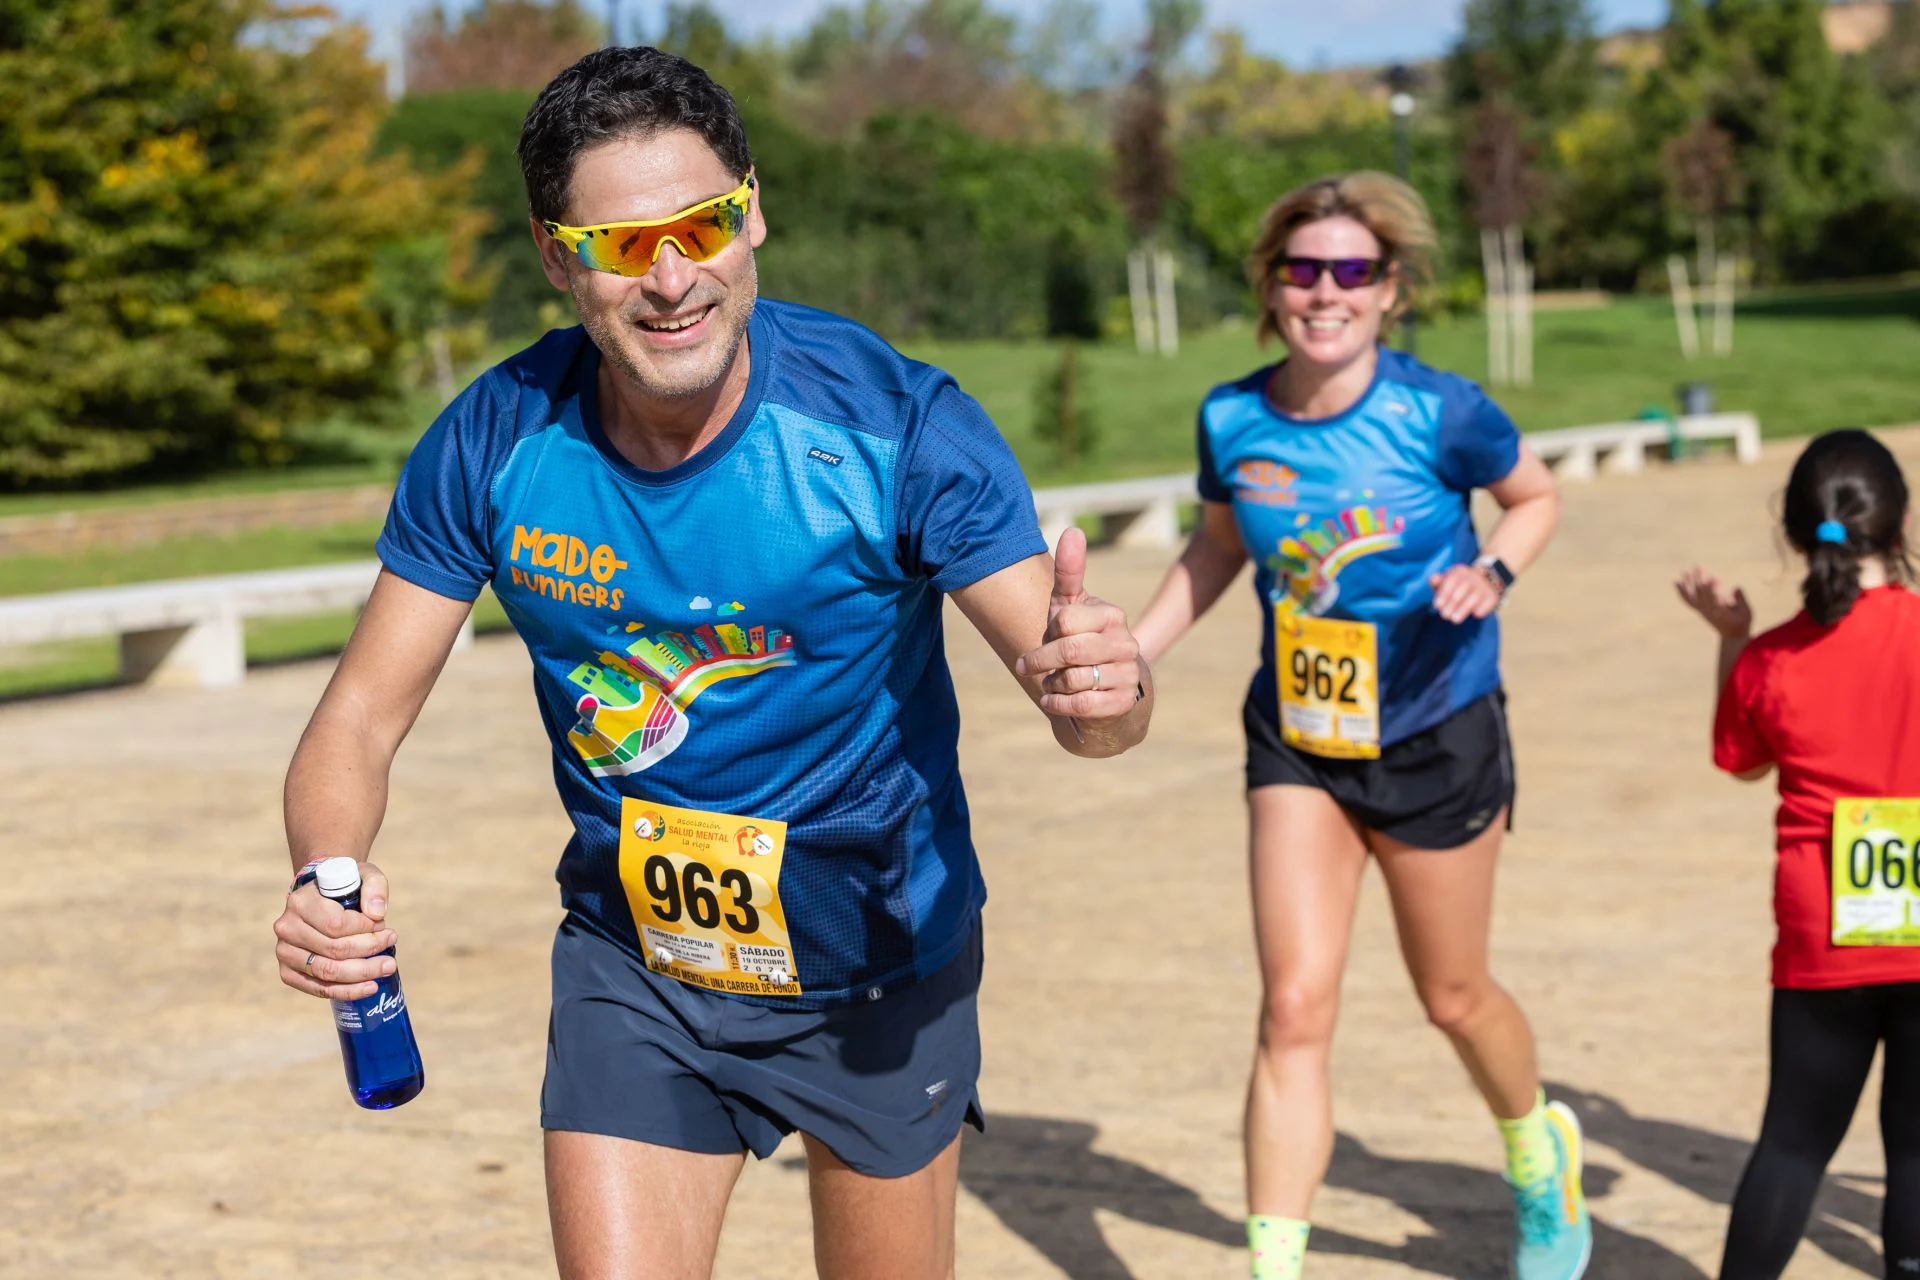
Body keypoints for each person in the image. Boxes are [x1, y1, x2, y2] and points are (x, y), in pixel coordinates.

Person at [270, 46, 1152, 1280]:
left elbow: (1082, 701)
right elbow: (356, 718)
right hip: (643, 965)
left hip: (880, 962)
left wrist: (1105, 693)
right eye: (625, 245)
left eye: (704, 225)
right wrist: (327, 877)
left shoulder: (891, 422)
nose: (674, 279)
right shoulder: (496, 438)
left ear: (755, 211)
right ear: (554, 253)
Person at [1131, 171, 1587, 1280]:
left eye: (1352, 271)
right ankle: (1273, 1266)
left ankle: (1540, 1151)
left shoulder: (1442, 412)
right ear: (1271, 286)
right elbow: (1220, 548)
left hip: (1436, 728)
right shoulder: (1233, 417)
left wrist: (1490, 570)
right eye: (1303, 269)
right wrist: (1132, 653)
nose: (1325, 292)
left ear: (1392, 290)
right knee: (1293, 1003)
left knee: (1454, 996)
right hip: (1298, 736)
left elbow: (1536, 496)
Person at [1676, 428, 1920, 1280]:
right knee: (1917, 1148)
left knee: (1793, 1141)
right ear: (1900, 523)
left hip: (1825, 934)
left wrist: (1732, 637)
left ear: (1794, 531)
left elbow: (1740, 763)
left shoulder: (1775, 656)